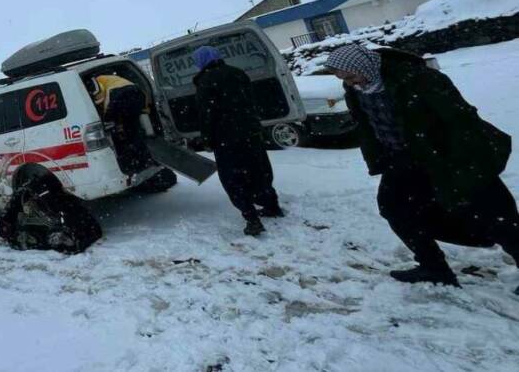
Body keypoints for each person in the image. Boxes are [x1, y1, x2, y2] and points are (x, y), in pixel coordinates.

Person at [325, 44, 517, 291]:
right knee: (394, 209)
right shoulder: (357, 88)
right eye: (344, 79)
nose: (350, 83)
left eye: (351, 76)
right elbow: (366, 125)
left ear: (364, 66)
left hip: (448, 155)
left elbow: (461, 120)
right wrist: (379, 156)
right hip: (402, 158)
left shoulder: (418, 79)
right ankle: (434, 267)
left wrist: (461, 162)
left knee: (495, 214)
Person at [193, 45, 282, 237]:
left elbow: (206, 114)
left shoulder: (206, 81)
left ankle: (251, 218)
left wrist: (207, 139)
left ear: (200, 62)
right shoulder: (238, 73)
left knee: (234, 178)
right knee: (259, 169)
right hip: (251, 132)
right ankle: (272, 205)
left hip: (226, 138)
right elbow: (251, 100)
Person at [87, 73, 152, 174]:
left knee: (121, 132)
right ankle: (143, 157)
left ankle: (130, 161)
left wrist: (106, 117)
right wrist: (145, 108)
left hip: (120, 96)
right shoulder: (112, 78)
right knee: (133, 128)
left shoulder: (101, 85)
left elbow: (106, 102)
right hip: (137, 92)